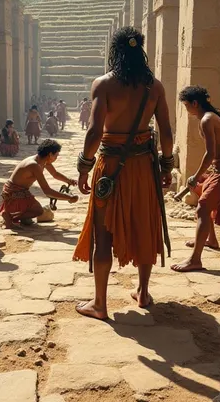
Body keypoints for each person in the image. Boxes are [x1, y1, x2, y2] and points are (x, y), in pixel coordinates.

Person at [73, 27, 174, 319]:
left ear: (114, 52)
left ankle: (100, 304)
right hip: (144, 166)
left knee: (102, 234)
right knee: (145, 224)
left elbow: (94, 132)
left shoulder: (103, 85)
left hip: (111, 168)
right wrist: (166, 165)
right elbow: (166, 131)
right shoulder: (154, 87)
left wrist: (83, 166)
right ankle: (142, 292)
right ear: (140, 51)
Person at [171, 86, 220, 273]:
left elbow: (210, 153)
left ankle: (195, 260)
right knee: (200, 193)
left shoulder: (207, 119)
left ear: (195, 103)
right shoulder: (206, 118)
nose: (186, 110)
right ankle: (211, 239)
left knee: (203, 207)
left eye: (187, 106)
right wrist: (198, 178)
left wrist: (196, 175)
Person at [0, 139, 79, 228]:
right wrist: (69, 197)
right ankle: (8, 216)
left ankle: (20, 217)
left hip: (22, 190)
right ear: (50, 154)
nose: (56, 158)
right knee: (38, 211)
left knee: (35, 210)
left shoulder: (43, 160)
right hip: (13, 191)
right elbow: (47, 191)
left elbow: (55, 174)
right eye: (56, 156)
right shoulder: (34, 165)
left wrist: (68, 180)